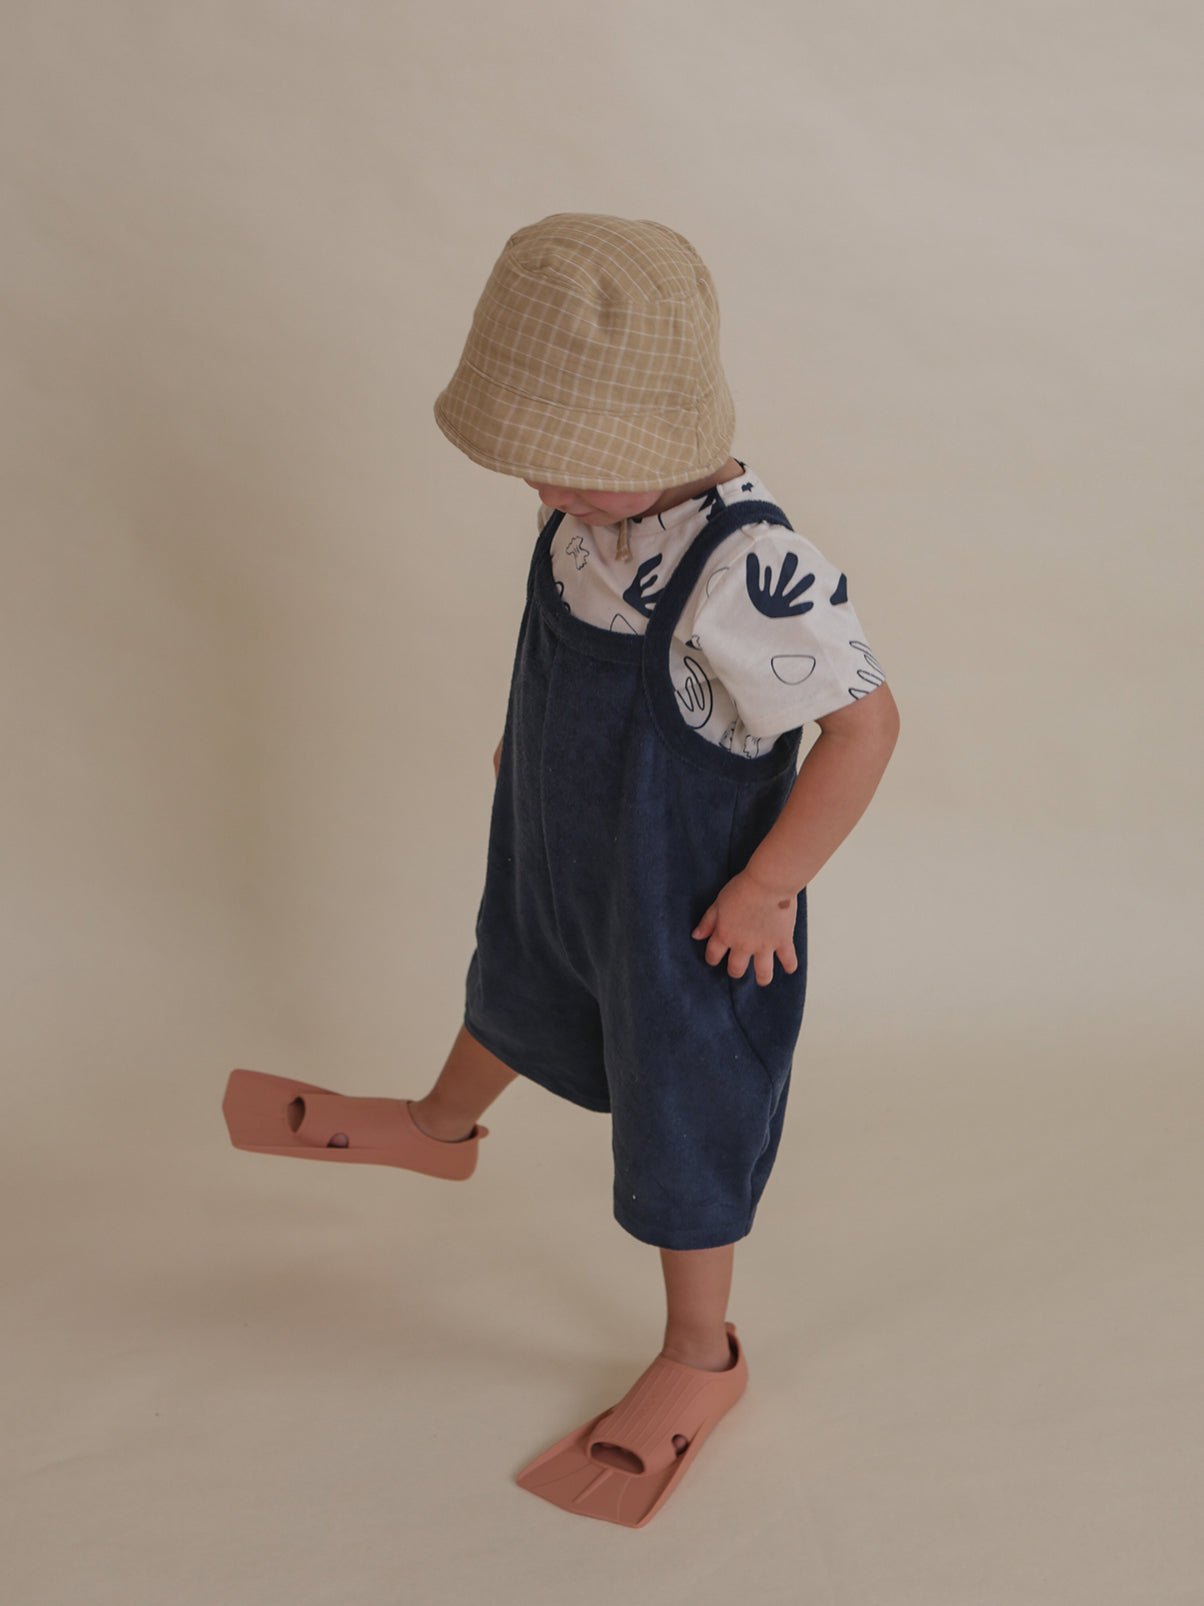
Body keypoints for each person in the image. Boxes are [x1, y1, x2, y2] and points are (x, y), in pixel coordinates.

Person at [223, 213, 899, 1528]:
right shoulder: (592, 520)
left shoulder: (753, 575)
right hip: (558, 852)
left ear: (655, 442)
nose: (544, 495)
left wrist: (768, 885)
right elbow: (565, 663)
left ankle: (702, 1353)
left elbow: (864, 726)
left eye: (568, 471)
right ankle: (436, 1128)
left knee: (680, 1118)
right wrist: (525, 746)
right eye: (534, 470)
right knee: (518, 980)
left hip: (686, 916)